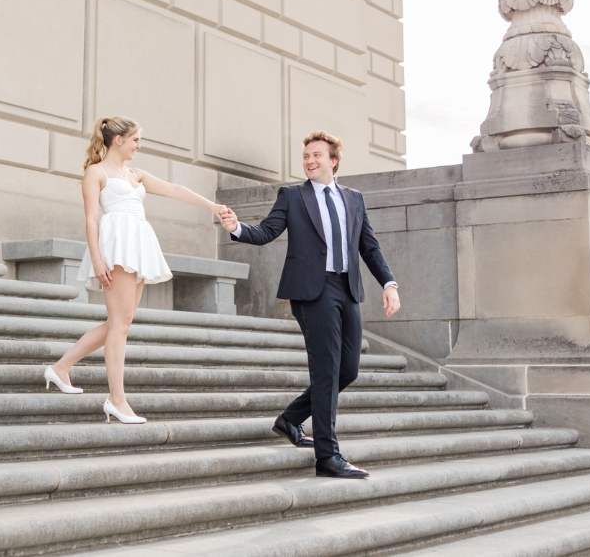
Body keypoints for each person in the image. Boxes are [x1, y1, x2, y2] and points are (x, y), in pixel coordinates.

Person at [220, 130, 400, 479]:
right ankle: (327, 456)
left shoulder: (354, 199)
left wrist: (389, 284)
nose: (309, 161)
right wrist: (237, 227)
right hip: (312, 293)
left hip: (346, 288)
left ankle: (289, 419)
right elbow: (267, 232)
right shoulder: (292, 196)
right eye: (306, 156)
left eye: (317, 155)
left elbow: (369, 247)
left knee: (347, 370)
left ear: (333, 161)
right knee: (326, 370)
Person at [45, 115, 228, 424]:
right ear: (119, 140)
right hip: (116, 245)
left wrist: (211, 207)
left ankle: (61, 367)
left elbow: (173, 188)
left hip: (138, 244)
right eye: (135, 140)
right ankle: (116, 399)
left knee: (121, 323)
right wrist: (98, 258)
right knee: (119, 325)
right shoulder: (96, 172)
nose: (137, 146)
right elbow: (91, 218)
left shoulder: (136, 174)